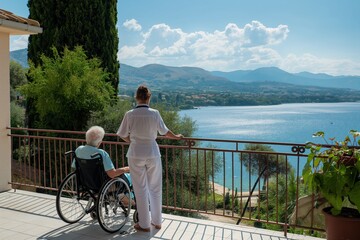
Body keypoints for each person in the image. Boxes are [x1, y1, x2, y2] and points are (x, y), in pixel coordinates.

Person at [117, 85, 183, 232]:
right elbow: (165, 132)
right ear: (149, 97)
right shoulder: (154, 113)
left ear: (136, 97)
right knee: (155, 187)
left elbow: (121, 133)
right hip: (152, 153)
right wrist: (177, 137)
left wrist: (131, 141)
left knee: (140, 189)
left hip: (135, 153)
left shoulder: (129, 114)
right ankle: (157, 221)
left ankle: (144, 224)